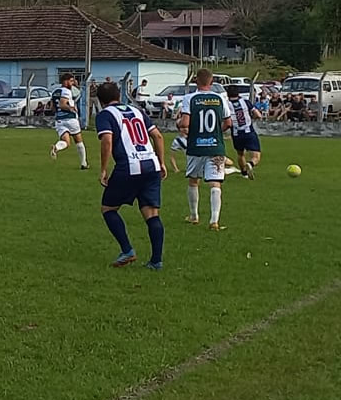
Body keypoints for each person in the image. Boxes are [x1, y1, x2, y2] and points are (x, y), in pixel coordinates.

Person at [96, 82, 167, 269]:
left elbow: (107, 141)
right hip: (151, 165)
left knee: (108, 209)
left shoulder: (105, 114)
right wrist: (161, 162)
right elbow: (158, 136)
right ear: (119, 95)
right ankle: (156, 261)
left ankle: (127, 250)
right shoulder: (137, 110)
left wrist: (103, 169)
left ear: (100, 100)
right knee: (151, 214)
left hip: (129, 166)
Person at [178, 69, 233, 230]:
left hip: (196, 146)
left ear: (196, 81)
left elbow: (185, 123)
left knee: (194, 180)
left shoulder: (190, 98)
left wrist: (180, 125)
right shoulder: (220, 98)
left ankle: (194, 216)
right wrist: (216, 132)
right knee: (215, 183)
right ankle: (214, 220)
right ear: (212, 81)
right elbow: (228, 123)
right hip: (216, 146)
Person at [50, 73, 88, 169]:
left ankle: (56, 147)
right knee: (79, 141)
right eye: (71, 81)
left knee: (66, 142)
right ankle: (84, 163)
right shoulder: (66, 91)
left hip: (59, 120)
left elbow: (52, 107)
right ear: (65, 81)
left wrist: (58, 111)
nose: (72, 83)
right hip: (70, 119)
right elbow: (63, 104)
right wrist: (71, 108)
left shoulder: (55, 92)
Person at [228, 86, 262, 180]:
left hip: (236, 134)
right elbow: (258, 115)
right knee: (256, 156)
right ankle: (250, 164)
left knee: (240, 154)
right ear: (238, 94)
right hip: (248, 132)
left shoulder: (227, 105)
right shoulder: (245, 102)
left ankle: (244, 173)